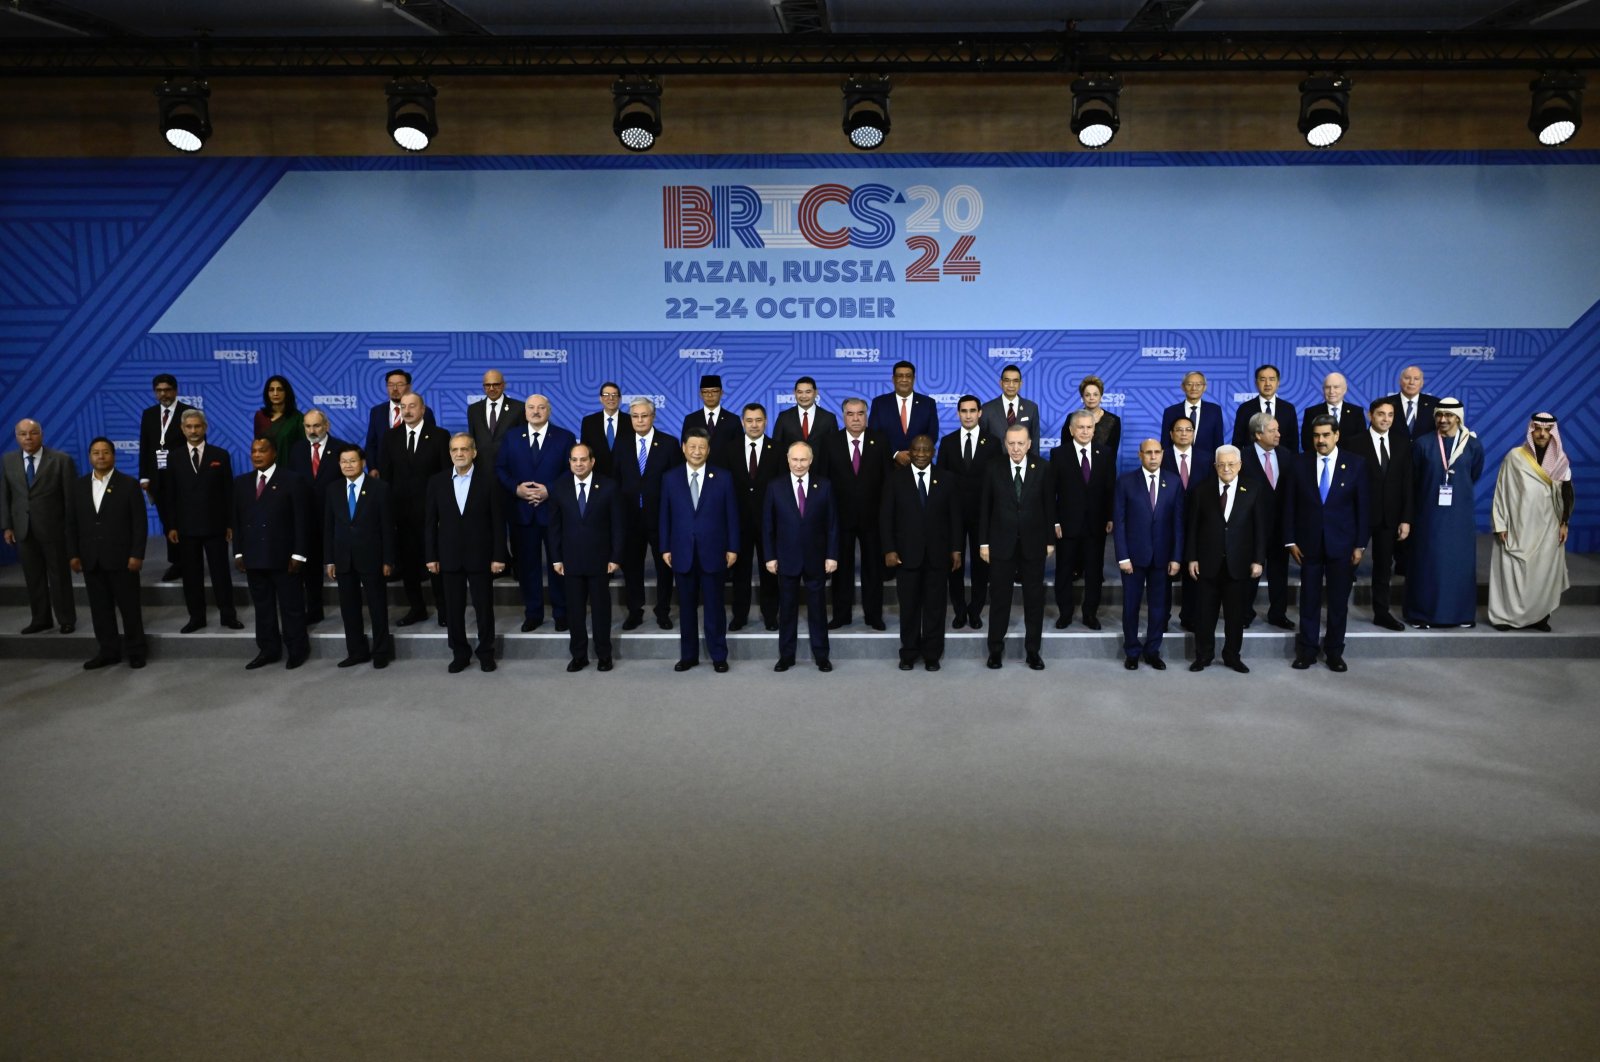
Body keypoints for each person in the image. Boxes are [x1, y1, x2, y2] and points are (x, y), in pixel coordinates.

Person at [1285, 416, 1370, 672]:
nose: (1320, 440)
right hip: (1307, 545)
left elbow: (1362, 508)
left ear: (1336, 435)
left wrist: (1360, 545)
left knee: (1337, 602)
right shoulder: (1299, 463)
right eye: (1316, 436)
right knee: (1309, 600)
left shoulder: (1355, 464)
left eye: (1325, 435)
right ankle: (1308, 651)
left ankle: (1334, 652)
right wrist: (1290, 540)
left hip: (1342, 546)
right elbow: (1289, 505)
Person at [425, 434, 508, 673]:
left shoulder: (489, 481)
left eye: (464, 449)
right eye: (454, 450)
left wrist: (499, 556)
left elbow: (497, 522)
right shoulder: (437, 482)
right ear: (449, 453)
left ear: (474, 452)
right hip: (448, 557)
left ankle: (486, 653)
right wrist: (431, 556)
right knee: (453, 609)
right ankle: (459, 653)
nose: (459, 454)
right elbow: (430, 523)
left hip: (481, 557)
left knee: (484, 608)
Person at [660, 427, 740, 672]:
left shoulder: (723, 477)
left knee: (715, 607)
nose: (696, 451)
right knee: (686, 608)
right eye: (692, 447)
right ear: (684, 448)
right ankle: (689, 656)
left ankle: (718, 656)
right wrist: (665, 547)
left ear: (708, 450)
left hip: (714, 552)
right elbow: (665, 516)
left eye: (701, 447)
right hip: (682, 552)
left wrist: (733, 547)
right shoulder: (670, 478)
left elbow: (732, 516)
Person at [495, 394, 576, 632]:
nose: (536, 411)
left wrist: (549, 490)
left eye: (541, 407)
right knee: (527, 567)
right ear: (525, 411)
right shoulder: (511, 437)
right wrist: (516, 489)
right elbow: (501, 468)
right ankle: (533, 613)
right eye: (531, 407)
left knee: (558, 565)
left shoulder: (565, 437)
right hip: (522, 511)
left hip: (554, 512)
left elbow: (571, 471)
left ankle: (562, 613)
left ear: (549, 411)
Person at [881, 434, 962, 671]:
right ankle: (908, 653)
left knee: (935, 608)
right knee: (909, 608)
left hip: (938, 555)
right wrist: (889, 549)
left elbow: (955, 518)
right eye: (916, 450)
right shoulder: (896, 479)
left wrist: (956, 549)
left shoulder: (947, 479)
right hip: (906, 556)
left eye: (926, 450)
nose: (921, 454)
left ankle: (932, 654)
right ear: (910, 451)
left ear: (933, 453)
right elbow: (886, 517)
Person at [980, 423, 1056, 670]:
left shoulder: (1043, 468)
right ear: (1005, 443)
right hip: (1001, 544)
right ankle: (995, 650)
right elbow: (985, 509)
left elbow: (1049, 507)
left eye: (1020, 443)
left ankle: (1033, 651)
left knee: (1034, 600)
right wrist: (983, 543)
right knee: (1000, 599)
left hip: (1034, 545)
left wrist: (1049, 541)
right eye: (1011, 443)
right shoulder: (993, 467)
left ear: (1029, 444)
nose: (1015, 448)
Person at [1185, 446, 1268, 673]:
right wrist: (1191, 558)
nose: (1226, 468)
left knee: (1235, 616)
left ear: (1240, 465)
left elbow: (1260, 528)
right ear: (1215, 466)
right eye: (1221, 464)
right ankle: (1204, 656)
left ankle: (1232, 656)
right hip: (1207, 563)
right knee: (1204, 615)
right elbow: (1192, 528)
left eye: (1231, 464)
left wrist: (1258, 559)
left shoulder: (1253, 488)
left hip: (1239, 564)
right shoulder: (1202, 490)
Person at [66, 437, 147, 669]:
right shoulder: (78, 486)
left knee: (130, 609)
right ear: (90, 457)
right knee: (100, 611)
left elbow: (139, 524)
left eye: (105, 452)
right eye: (96, 453)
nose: (100, 456)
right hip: (91, 559)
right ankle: (108, 651)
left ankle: (136, 651)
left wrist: (137, 554)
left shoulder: (129, 484)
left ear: (114, 455)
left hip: (123, 560)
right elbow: (70, 524)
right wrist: (73, 554)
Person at [159, 410, 243, 632]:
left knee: (221, 574)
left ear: (205, 428)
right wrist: (172, 526)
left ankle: (228, 615)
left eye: (197, 426)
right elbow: (170, 494)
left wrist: (230, 524)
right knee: (191, 576)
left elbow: (228, 492)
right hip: (186, 528)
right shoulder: (174, 456)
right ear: (182, 429)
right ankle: (196, 617)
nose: (194, 431)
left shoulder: (220, 455)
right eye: (189, 427)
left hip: (215, 526)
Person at [233, 437, 313, 670]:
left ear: (274, 454)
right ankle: (268, 649)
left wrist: (299, 555)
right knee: (263, 607)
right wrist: (238, 553)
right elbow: (237, 521)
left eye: (263, 451)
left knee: (292, 607)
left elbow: (301, 520)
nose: (257, 455)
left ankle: (297, 649)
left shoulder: (292, 480)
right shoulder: (241, 483)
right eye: (254, 451)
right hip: (254, 557)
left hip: (285, 557)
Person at [1404, 398, 1485, 629]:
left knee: (1458, 564)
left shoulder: (1473, 445)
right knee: (1428, 563)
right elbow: (1416, 478)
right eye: (1439, 415)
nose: (1443, 420)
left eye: (1449, 416)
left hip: (1459, 517)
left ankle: (1460, 615)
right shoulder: (1423, 444)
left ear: (1458, 418)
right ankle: (1421, 614)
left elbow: (1474, 473)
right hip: (1429, 515)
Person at [1489, 413, 1573, 631]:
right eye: (1538, 429)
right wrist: (1501, 523)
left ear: (1553, 432)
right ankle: (1505, 617)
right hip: (1517, 524)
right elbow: (1501, 491)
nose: (1542, 434)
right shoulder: (1515, 457)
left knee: (1543, 573)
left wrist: (1564, 522)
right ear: (1531, 430)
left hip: (1548, 525)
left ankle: (1538, 617)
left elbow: (1567, 493)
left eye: (1547, 430)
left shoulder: (1561, 461)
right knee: (1512, 570)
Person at [764, 440, 838, 672]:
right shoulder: (775, 487)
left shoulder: (824, 486)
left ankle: (821, 656)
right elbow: (768, 526)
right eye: (794, 459)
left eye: (803, 459)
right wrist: (770, 556)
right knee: (787, 610)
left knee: (817, 610)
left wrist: (832, 555)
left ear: (811, 460)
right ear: (788, 460)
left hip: (817, 559)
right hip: (786, 559)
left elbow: (833, 525)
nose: (798, 464)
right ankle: (786, 656)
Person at [549, 443, 623, 672]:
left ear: (592, 461)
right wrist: (556, 558)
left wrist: (616, 556)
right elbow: (554, 527)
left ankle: (604, 655)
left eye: (583, 460)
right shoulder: (559, 487)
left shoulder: (609, 487)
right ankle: (579, 655)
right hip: (570, 561)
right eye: (574, 460)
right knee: (575, 612)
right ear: (569, 462)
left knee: (601, 611)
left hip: (600, 560)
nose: (578, 464)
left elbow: (618, 526)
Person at [381, 392, 452, 627]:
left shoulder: (440, 436)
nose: (408, 410)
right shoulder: (390, 437)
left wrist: (443, 512)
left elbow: (446, 477)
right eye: (403, 406)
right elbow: (386, 478)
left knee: (436, 564)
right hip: (401, 513)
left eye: (413, 406)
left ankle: (445, 610)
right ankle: (417, 608)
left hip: (432, 514)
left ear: (423, 409)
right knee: (409, 566)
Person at [1112, 439, 1184, 670]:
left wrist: (1176, 557)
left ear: (1163, 454)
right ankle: (1132, 651)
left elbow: (1178, 523)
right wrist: (1123, 557)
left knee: (1158, 607)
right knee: (1131, 606)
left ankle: (1153, 650)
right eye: (1148, 453)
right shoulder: (1125, 482)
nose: (1153, 456)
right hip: (1133, 558)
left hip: (1163, 558)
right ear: (1140, 455)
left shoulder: (1173, 482)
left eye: (1157, 452)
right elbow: (1120, 522)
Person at [2, 418, 77, 635]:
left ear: (41, 435)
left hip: (54, 528)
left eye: (33, 433)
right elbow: (5, 495)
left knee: (59, 577)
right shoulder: (8, 461)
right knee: (33, 577)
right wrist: (7, 526)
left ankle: (66, 619)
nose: (28, 437)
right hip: (23, 529)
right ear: (16, 437)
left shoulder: (61, 460)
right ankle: (40, 619)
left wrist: (70, 529)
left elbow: (70, 499)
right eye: (23, 434)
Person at [821, 397, 889, 630]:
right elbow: (823, 482)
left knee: (873, 569)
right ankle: (841, 615)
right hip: (840, 518)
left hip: (873, 518)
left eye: (860, 413)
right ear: (843, 416)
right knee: (841, 570)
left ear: (866, 415)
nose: (856, 418)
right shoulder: (830, 442)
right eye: (850, 414)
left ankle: (874, 615)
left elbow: (887, 482)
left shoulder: (880, 441)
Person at [615, 398, 683, 629]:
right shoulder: (621, 443)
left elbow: (677, 483)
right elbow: (616, 480)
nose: (640, 420)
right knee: (632, 566)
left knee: (664, 566)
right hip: (630, 517)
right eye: (635, 416)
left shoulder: (669, 443)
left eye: (644, 415)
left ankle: (662, 610)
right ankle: (635, 610)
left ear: (653, 417)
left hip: (661, 518)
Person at [324, 446, 395, 669]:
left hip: (372, 557)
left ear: (363, 462)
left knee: (377, 606)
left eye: (352, 461)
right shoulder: (333, 489)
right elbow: (329, 527)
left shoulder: (379, 488)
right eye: (344, 461)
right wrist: (329, 559)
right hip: (343, 558)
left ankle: (381, 651)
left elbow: (388, 527)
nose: (348, 465)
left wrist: (388, 559)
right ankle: (356, 651)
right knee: (349, 609)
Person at [1347, 398, 1412, 630]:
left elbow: (1407, 484)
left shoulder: (1402, 443)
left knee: (1384, 568)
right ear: (1370, 416)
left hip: (1389, 518)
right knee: (1347, 566)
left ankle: (1381, 612)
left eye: (1390, 415)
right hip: (1358, 517)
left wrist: (1405, 518)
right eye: (1381, 414)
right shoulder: (1353, 443)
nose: (1386, 419)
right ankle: (1338, 610)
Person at [937, 395, 998, 630]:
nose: (969, 415)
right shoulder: (948, 442)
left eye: (973, 410)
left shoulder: (992, 443)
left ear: (980, 413)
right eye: (964, 411)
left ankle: (975, 610)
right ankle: (960, 609)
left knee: (982, 565)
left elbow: (996, 481)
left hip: (983, 515)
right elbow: (940, 480)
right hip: (953, 515)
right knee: (955, 563)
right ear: (958, 413)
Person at [721, 402, 783, 631]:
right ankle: (740, 615)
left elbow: (781, 488)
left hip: (769, 523)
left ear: (766, 421)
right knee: (740, 572)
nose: (754, 425)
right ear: (742, 422)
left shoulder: (777, 449)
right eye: (750, 420)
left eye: (758, 420)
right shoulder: (730, 449)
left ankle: (770, 615)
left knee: (770, 572)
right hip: (739, 522)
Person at [284, 408, 349, 626]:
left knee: (342, 566)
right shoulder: (297, 450)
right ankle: (314, 609)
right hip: (306, 519)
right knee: (311, 570)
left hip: (336, 518)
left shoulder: (341, 449)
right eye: (308, 426)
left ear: (327, 426)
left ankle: (349, 609)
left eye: (317, 426)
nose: (312, 430)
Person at [1051, 409, 1114, 630]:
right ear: (1071, 429)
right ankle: (1065, 613)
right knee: (1064, 571)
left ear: (1094, 429)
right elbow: (1052, 492)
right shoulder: (1058, 454)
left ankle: (1090, 614)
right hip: (1066, 526)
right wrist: (1055, 521)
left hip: (1096, 525)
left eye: (1089, 427)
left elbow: (1109, 489)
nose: (1085, 431)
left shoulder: (1105, 454)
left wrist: (1109, 516)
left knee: (1094, 573)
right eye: (1081, 427)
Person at [1237, 412, 1296, 630]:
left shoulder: (1288, 456)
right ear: (1258, 434)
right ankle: (1244, 613)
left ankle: (1278, 614)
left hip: (1280, 527)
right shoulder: (1242, 457)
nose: (1278, 434)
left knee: (1279, 573)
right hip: (1251, 529)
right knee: (1251, 572)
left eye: (1278, 429)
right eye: (1273, 430)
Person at [138, 372, 192, 580]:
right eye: (159, 391)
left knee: (184, 519)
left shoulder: (188, 412)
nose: (163, 394)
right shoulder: (149, 414)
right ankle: (176, 562)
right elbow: (145, 446)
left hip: (183, 477)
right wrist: (144, 476)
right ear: (155, 392)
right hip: (158, 478)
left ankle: (188, 560)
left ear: (175, 390)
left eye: (167, 390)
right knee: (167, 520)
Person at [1161, 416, 1207, 630]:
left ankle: (1189, 617)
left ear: (1193, 433)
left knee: (1192, 574)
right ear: (1171, 434)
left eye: (1188, 429)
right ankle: (1161, 618)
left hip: (1198, 526)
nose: (1183, 433)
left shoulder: (1206, 459)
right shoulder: (1161, 456)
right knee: (1164, 576)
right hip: (1166, 525)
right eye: (1178, 429)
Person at [869, 360, 940, 467]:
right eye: (900, 376)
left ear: (914, 379)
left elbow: (932, 434)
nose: (904, 379)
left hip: (920, 465)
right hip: (887, 465)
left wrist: (916, 454)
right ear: (893, 379)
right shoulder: (879, 403)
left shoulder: (928, 403)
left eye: (908, 376)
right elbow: (874, 434)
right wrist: (895, 453)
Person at [364, 368, 435, 472]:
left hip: (416, 471)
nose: (395, 389)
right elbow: (371, 444)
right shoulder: (377, 412)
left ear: (409, 387)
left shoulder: (424, 411)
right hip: (384, 472)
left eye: (400, 384)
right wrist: (372, 468)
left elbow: (431, 444)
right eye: (391, 385)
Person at [1231, 363, 1298, 456]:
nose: (1267, 384)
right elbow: (1237, 442)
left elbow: (1294, 443)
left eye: (1272, 379)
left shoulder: (1288, 409)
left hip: (1283, 464)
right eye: (1263, 379)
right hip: (1251, 464)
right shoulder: (1245, 409)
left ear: (1278, 383)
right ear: (1256, 383)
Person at [771, 376, 839, 461]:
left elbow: (835, 449)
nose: (803, 396)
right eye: (800, 392)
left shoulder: (829, 418)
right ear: (794, 393)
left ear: (816, 393)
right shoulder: (784, 417)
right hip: (791, 471)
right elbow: (776, 448)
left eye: (808, 392)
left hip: (821, 471)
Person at [465, 369, 519, 473]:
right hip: (482, 468)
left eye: (496, 385)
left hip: (511, 469)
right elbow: (473, 440)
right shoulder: (473, 410)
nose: (491, 388)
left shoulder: (518, 408)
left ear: (503, 385)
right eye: (487, 385)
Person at [980, 363, 1039, 456]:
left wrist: (1035, 468)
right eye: (1007, 381)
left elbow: (1034, 441)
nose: (1011, 385)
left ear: (1020, 384)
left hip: (1024, 465)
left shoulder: (1031, 408)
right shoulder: (987, 409)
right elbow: (982, 443)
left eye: (1015, 381)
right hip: (995, 465)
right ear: (1001, 383)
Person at [1161, 370, 1224, 455]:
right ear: (1183, 387)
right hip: (1177, 462)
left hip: (1207, 463)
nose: (1194, 388)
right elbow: (1165, 442)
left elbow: (1218, 441)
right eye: (1189, 384)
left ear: (1204, 387)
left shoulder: (1214, 410)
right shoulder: (1170, 412)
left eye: (1198, 384)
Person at [1300, 371, 1364, 453]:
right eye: (1327, 387)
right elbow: (1306, 442)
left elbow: (1360, 441)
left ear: (1345, 389)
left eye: (1336, 387)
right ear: (1323, 390)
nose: (1331, 391)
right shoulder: (1311, 412)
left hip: (1350, 462)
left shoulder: (1356, 412)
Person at [679, 373, 741, 451]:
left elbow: (739, 450)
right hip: (698, 463)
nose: (710, 395)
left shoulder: (733, 420)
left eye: (714, 391)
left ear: (721, 393)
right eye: (705, 392)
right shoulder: (691, 419)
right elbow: (684, 449)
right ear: (700, 394)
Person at [579, 381, 628, 479]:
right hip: (597, 478)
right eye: (606, 395)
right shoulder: (589, 422)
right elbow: (585, 450)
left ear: (620, 398)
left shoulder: (630, 421)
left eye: (614, 394)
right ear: (600, 398)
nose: (611, 398)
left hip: (626, 478)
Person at [1382, 365, 1438, 444]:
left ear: (1422, 383)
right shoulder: (1385, 403)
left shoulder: (1435, 404)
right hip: (1393, 454)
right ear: (1400, 381)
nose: (1411, 382)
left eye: (1416, 379)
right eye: (1407, 378)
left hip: (1424, 454)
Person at [253, 375, 304, 460]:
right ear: (267, 393)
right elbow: (257, 446)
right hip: (265, 469)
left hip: (289, 469)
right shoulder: (260, 416)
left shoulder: (297, 418)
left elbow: (302, 449)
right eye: (271, 390)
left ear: (287, 393)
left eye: (280, 389)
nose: (275, 393)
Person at [1077, 375, 1122, 455]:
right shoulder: (1073, 418)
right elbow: (1066, 450)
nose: (1091, 398)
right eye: (1087, 395)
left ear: (1101, 397)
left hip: (1104, 466)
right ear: (1082, 398)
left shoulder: (1114, 420)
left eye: (1095, 394)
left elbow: (1112, 454)